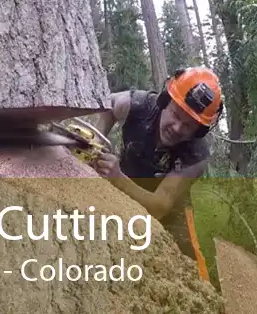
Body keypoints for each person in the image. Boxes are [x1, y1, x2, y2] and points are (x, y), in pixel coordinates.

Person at [90, 67, 224, 282]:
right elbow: (109, 105)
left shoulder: (196, 156)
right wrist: (96, 141)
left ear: (198, 131)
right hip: (126, 186)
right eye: (175, 115)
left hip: (170, 211)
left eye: (188, 126)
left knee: (192, 269)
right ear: (164, 101)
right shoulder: (139, 104)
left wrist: (117, 178)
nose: (177, 128)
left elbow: (161, 206)